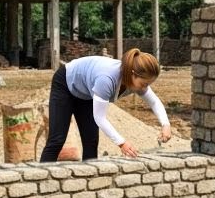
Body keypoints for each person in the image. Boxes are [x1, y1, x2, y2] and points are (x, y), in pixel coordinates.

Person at [40, 48, 173, 162]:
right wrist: (121, 143)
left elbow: (154, 102)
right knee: (57, 140)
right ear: (132, 74)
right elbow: (100, 118)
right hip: (66, 83)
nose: (145, 88)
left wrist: (165, 124)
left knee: (91, 141)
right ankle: (40, 181)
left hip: (87, 92)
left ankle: (89, 184)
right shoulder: (107, 79)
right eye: (144, 84)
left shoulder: (136, 80)